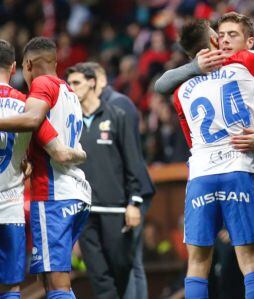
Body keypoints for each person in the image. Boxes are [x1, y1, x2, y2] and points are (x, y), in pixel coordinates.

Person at [155, 15, 254, 299]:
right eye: (217, 34)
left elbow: (190, 138)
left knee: (197, 262)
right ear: (211, 41)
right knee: (251, 260)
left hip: (200, 173)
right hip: (240, 167)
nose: (222, 39)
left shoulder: (180, 90)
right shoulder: (242, 63)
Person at [0, 36, 91, 299]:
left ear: (28, 64)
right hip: (74, 193)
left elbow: (34, 121)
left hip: (53, 196)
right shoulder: (69, 93)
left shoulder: (40, 87)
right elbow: (56, 144)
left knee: (56, 282)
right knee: (51, 281)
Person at [66, 63, 143, 299]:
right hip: (84, 212)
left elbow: (134, 162)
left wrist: (134, 202)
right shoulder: (68, 122)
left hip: (116, 209)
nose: (72, 88)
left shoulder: (117, 116)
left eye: (76, 82)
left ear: (92, 82)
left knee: (121, 267)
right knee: (99, 277)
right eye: (68, 84)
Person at [82, 61, 154, 299]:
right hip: (116, 196)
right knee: (123, 261)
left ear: (97, 80)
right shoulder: (95, 110)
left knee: (128, 260)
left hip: (129, 193)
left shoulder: (118, 104)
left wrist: (131, 199)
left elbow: (129, 155)